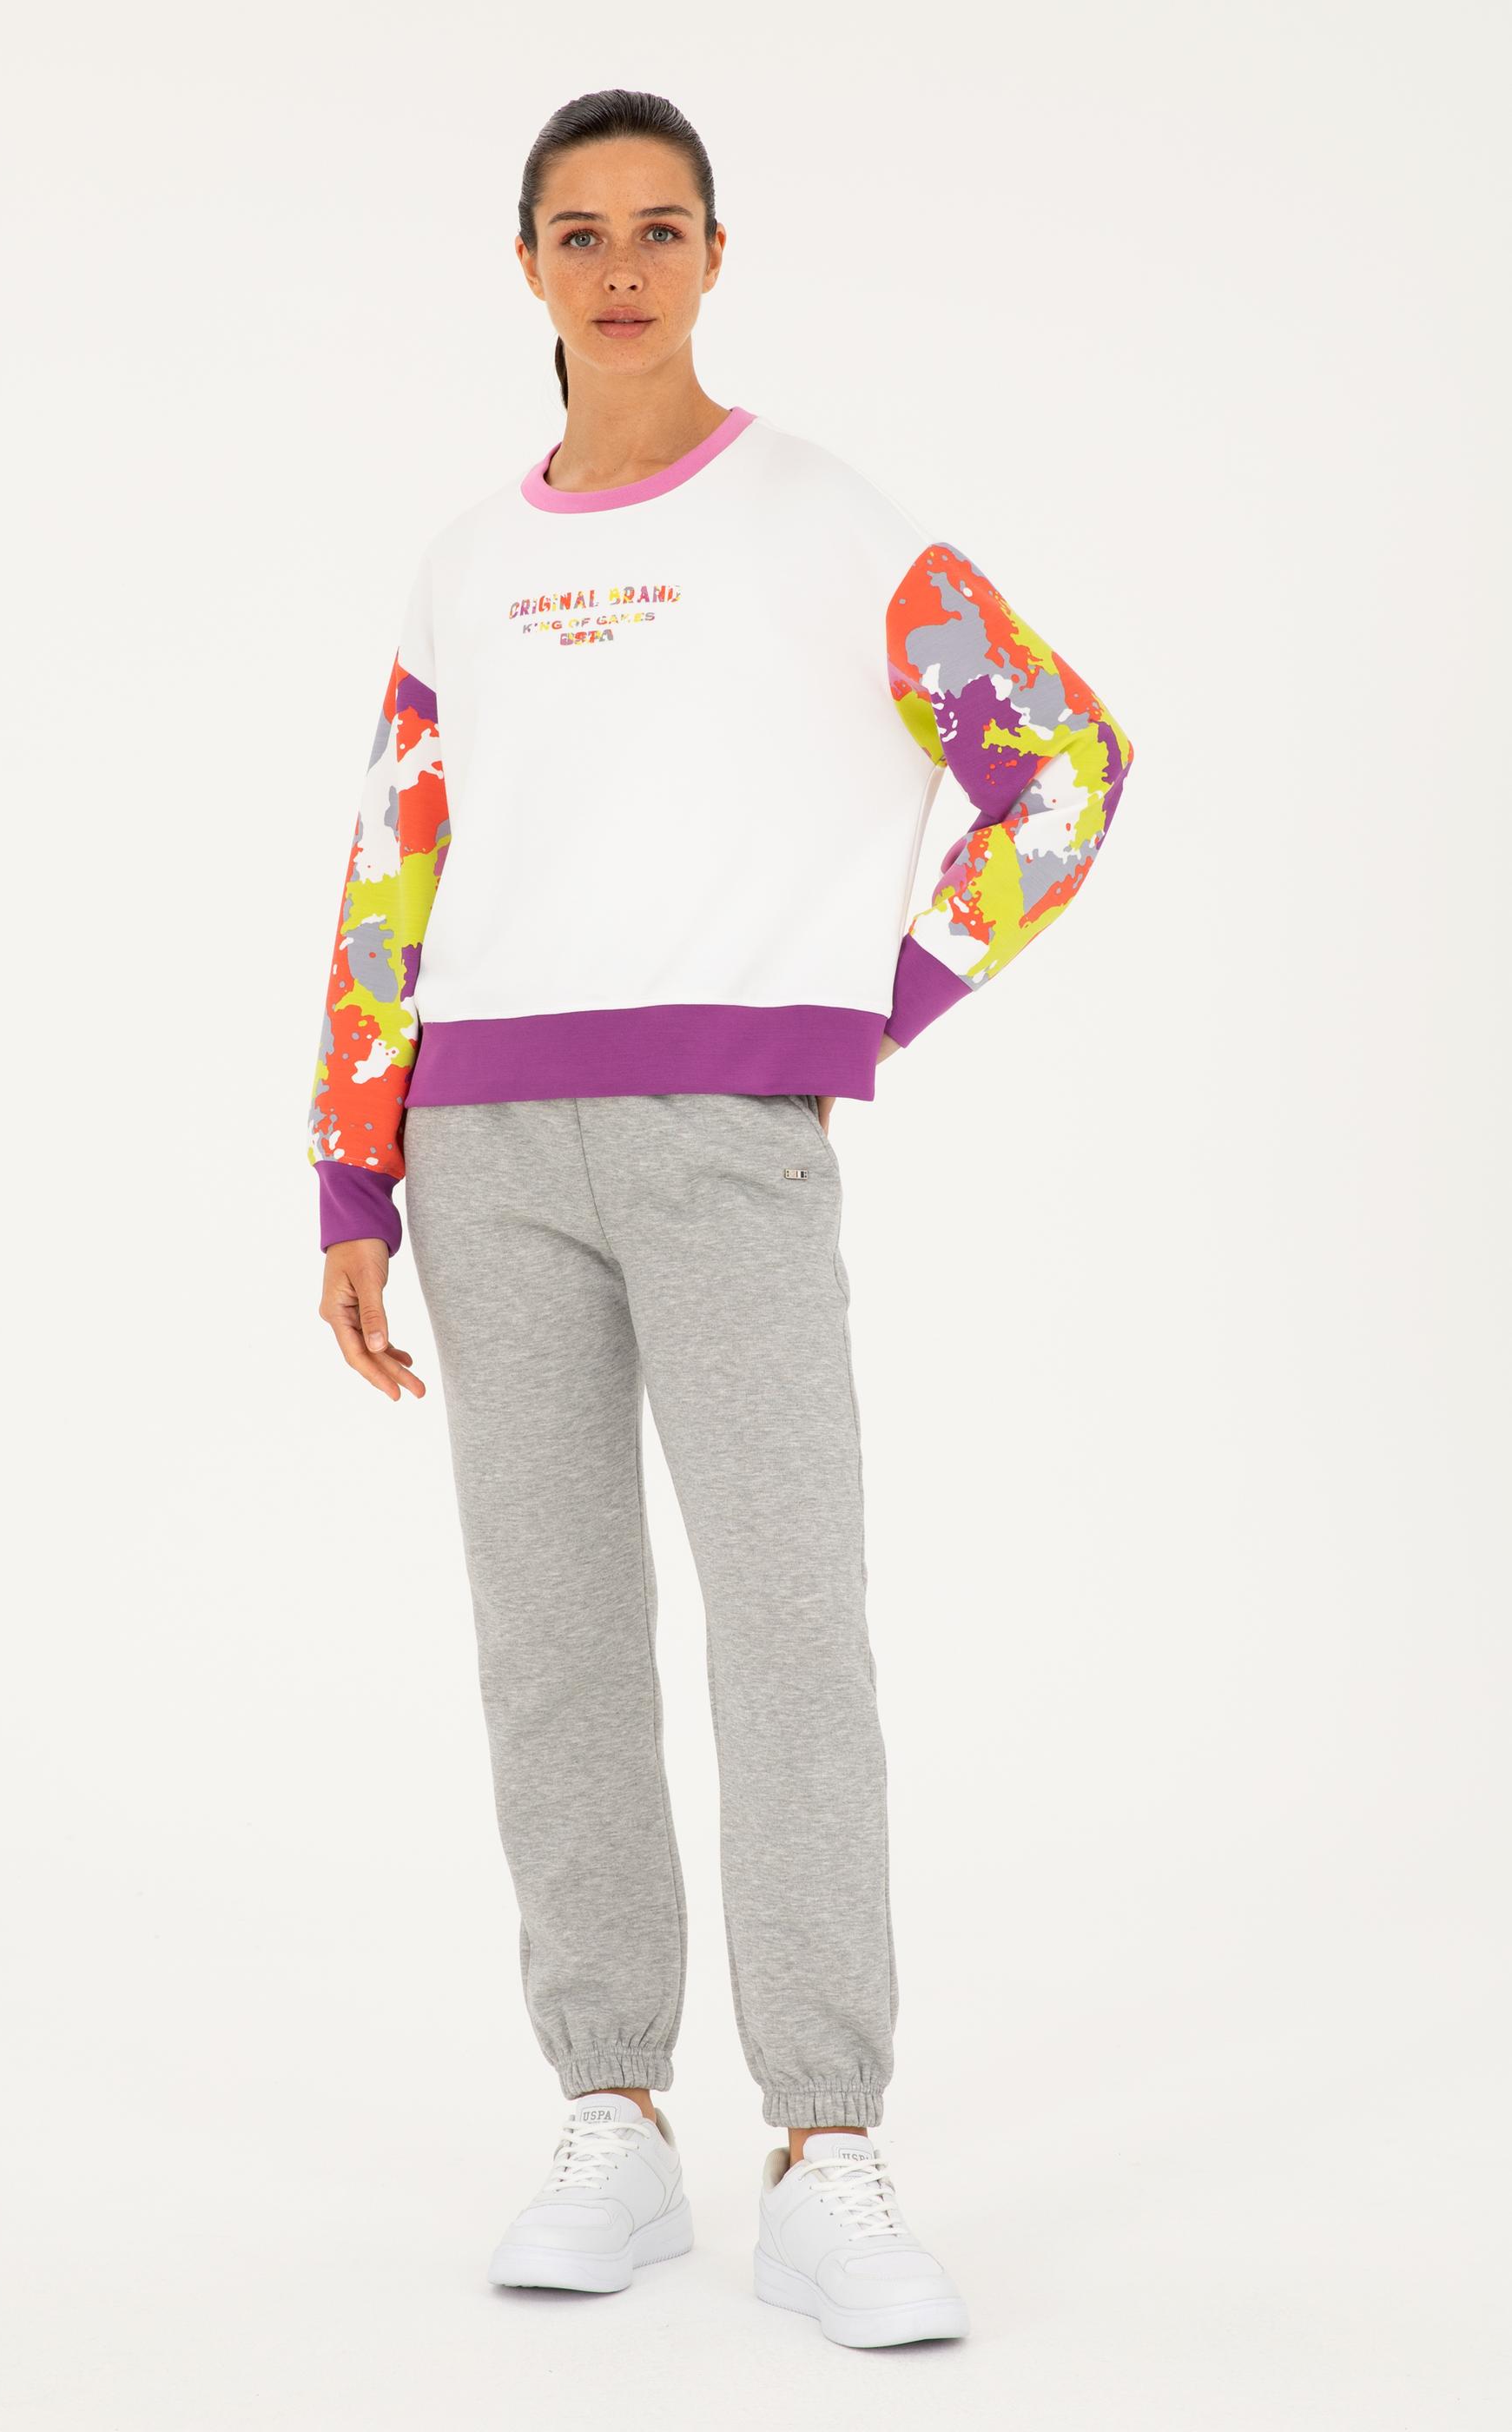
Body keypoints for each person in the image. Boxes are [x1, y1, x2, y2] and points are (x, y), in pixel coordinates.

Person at [307, 87, 1133, 2350]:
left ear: (714, 253)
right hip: (484, 1151)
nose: (620, 268)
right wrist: (352, 1167)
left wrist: (862, 1007)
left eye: (658, 228)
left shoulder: (817, 516)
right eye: (578, 232)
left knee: (788, 1629)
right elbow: (392, 865)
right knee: (553, 1644)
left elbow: (1060, 764)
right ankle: (611, 2109)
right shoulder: (464, 565)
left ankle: (826, 2145)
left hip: (722, 1139)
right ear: (526, 264)